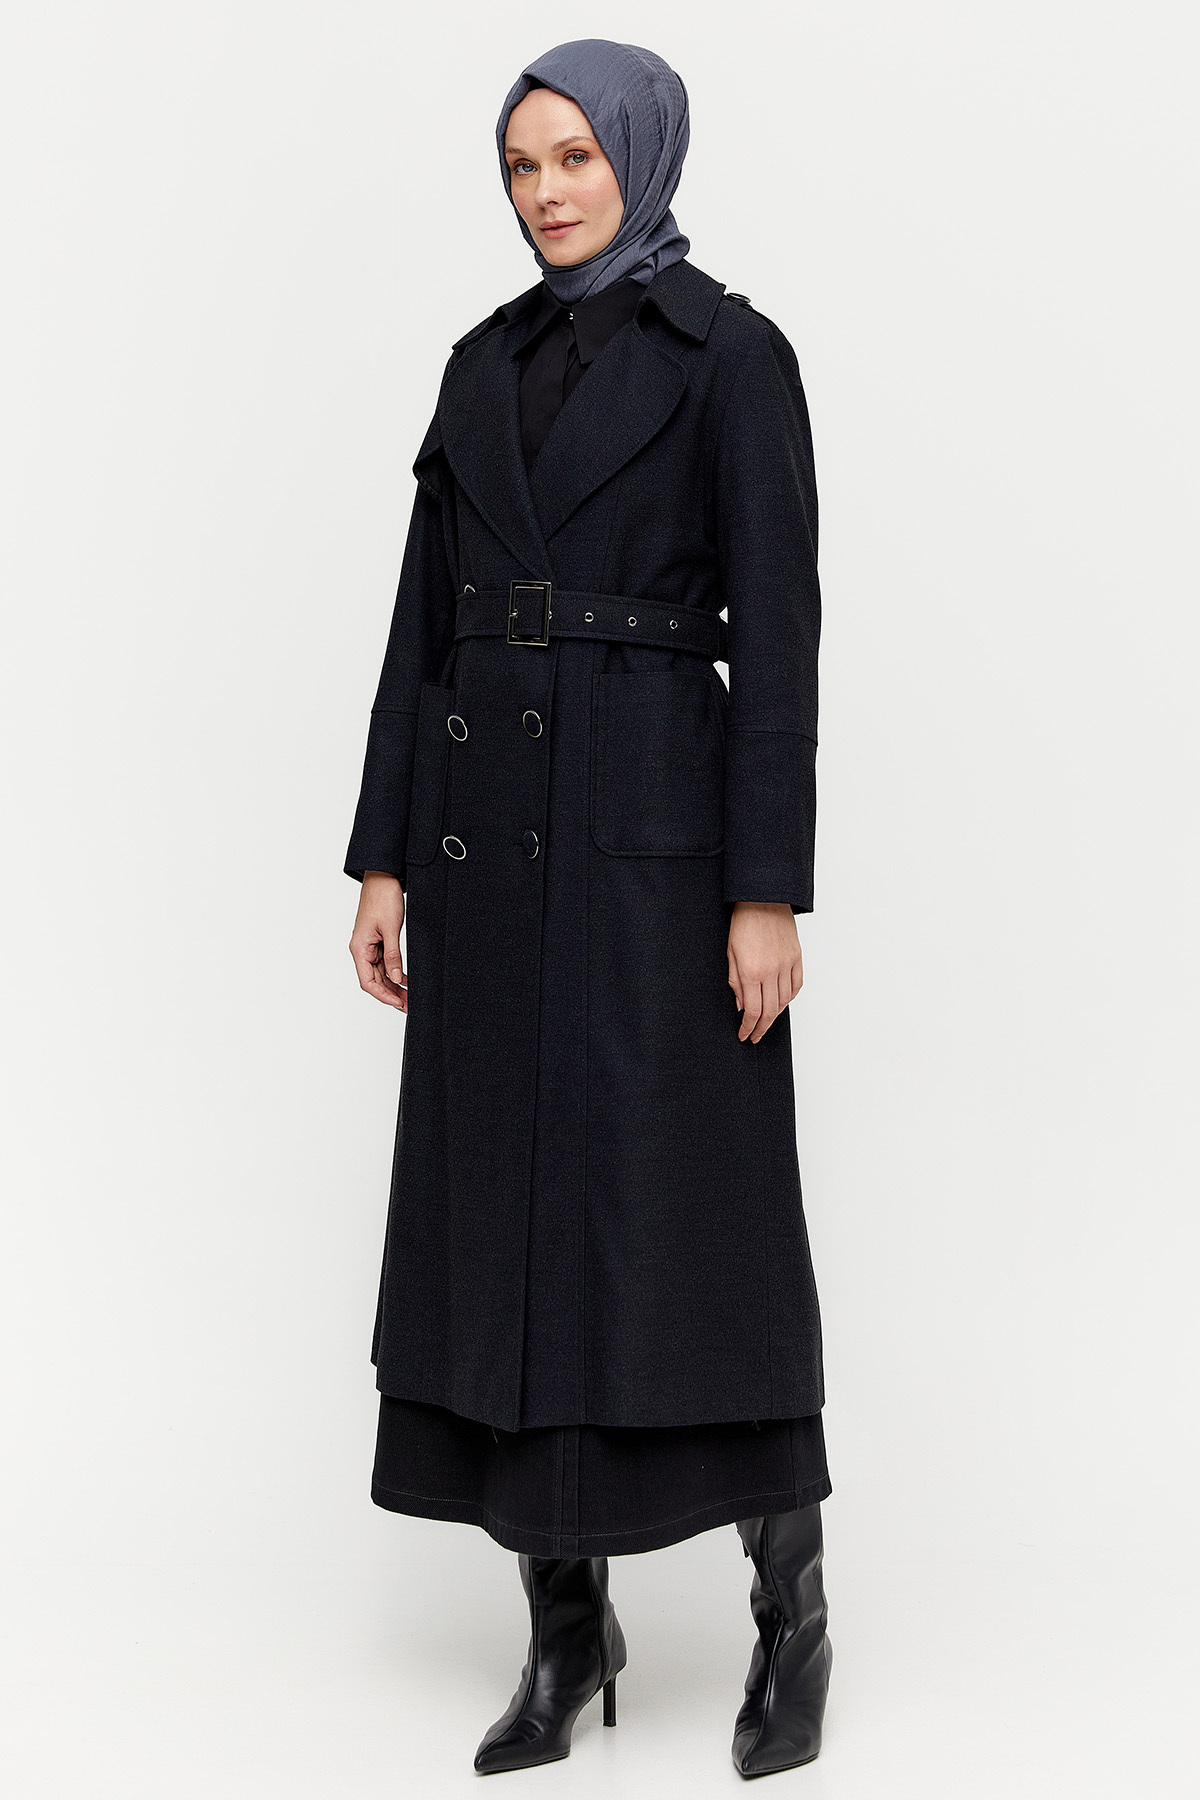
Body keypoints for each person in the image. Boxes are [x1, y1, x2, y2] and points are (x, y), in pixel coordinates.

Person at [345, 38, 832, 1779]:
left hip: (655, 852)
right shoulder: (480, 365)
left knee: (696, 1226)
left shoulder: (732, 359)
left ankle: (792, 1610)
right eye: (520, 165)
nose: (546, 191)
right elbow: (424, 624)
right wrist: (386, 856)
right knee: (505, 1228)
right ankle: (566, 1627)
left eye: (573, 157)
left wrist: (765, 890)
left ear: (642, 155)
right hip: (489, 851)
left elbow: (779, 641)